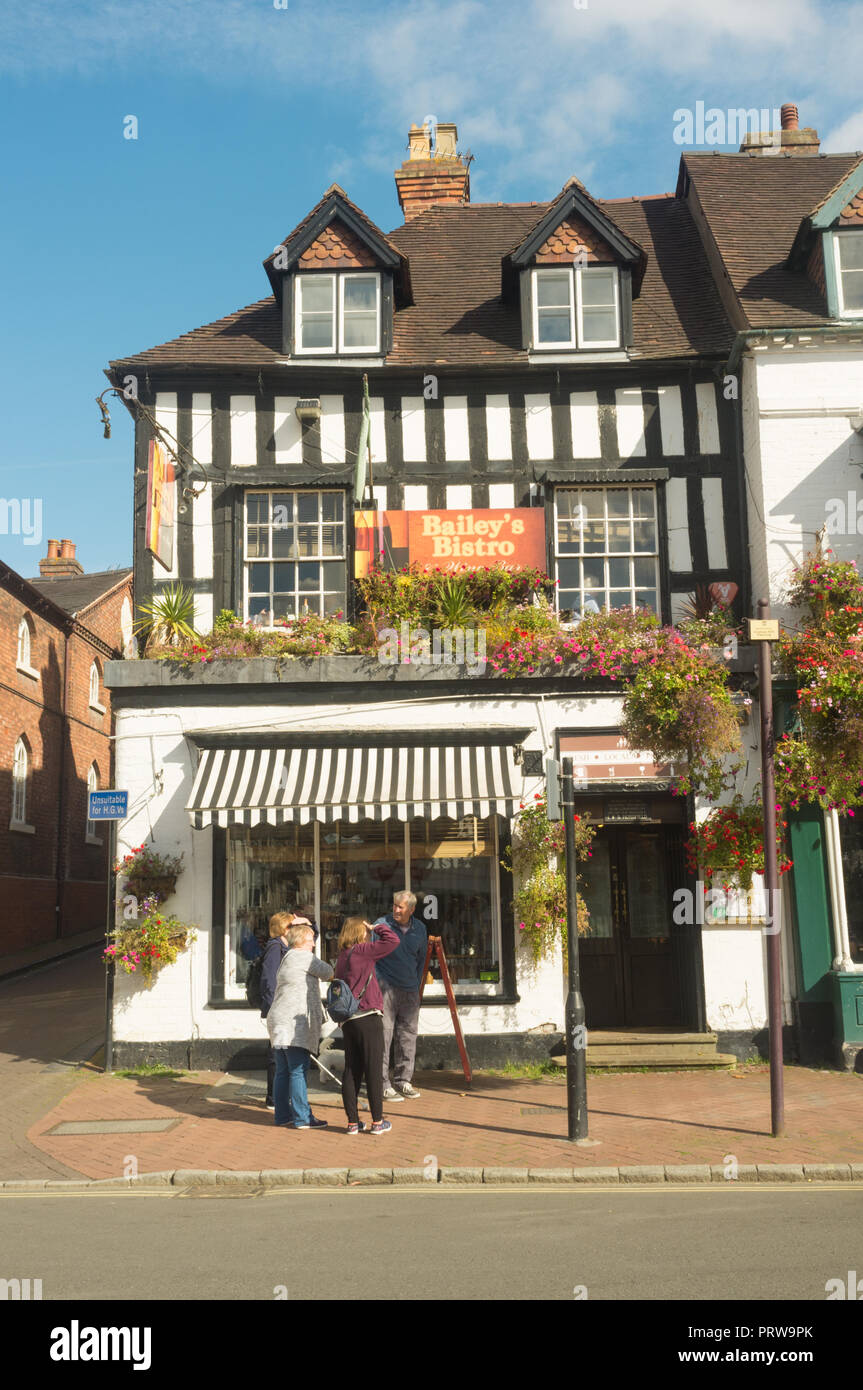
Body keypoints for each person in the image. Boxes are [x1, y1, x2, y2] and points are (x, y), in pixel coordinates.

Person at [334, 914, 400, 1135]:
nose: (369, 934)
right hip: (368, 1016)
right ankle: (378, 1122)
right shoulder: (362, 951)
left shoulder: (342, 956)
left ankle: (353, 1123)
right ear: (359, 932)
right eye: (366, 931)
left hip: (349, 1020)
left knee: (352, 1070)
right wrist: (378, 927)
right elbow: (393, 941)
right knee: (373, 1069)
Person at [266, 921, 333, 1130]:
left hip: (278, 1020)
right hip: (293, 1023)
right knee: (297, 1069)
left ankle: (282, 1115)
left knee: (283, 1070)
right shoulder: (304, 957)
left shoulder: (287, 957)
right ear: (302, 940)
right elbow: (329, 971)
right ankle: (303, 1117)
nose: (313, 944)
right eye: (311, 940)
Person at [374, 890, 427, 1102]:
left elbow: (422, 959)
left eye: (401, 907)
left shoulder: (420, 929)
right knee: (384, 1036)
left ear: (411, 909)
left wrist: (415, 983)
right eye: (394, 905)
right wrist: (378, 982)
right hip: (385, 988)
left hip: (409, 989)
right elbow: (370, 954)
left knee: (408, 1034)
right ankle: (382, 1084)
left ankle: (403, 1080)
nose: (396, 909)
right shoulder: (381, 925)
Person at [260, 909, 316, 1110]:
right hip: (279, 1010)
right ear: (284, 928)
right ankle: (274, 1098)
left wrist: (308, 922)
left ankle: (279, 1100)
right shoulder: (275, 948)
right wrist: (272, 1005)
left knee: (281, 1057)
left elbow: (310, 939)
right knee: (277, 1057)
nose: (295, 928)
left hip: (284, 1010)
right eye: (291, 926)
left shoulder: (288, 948)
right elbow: (269, 980)